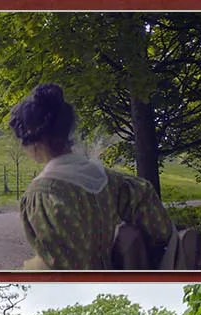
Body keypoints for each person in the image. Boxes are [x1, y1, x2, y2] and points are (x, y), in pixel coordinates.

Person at [10, 83, 172, 270]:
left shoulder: (43, 195)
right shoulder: (116, 182)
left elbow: (59, 270)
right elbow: (161, 231)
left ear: (34, 142)